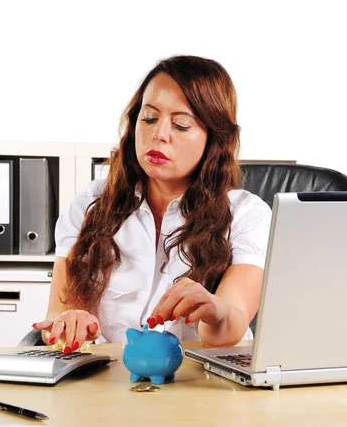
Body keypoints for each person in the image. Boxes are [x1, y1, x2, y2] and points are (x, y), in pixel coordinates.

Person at [32, 55, 272, 354]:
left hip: (202, 382)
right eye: (149, 118)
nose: (159, 134)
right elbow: (59, 316)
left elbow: (226, 332)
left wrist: (215, 310)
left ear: (214, 138)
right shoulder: (90, 204)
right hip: (116, 378)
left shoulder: (248, 215)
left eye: (181, 125)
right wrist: (68, 326)